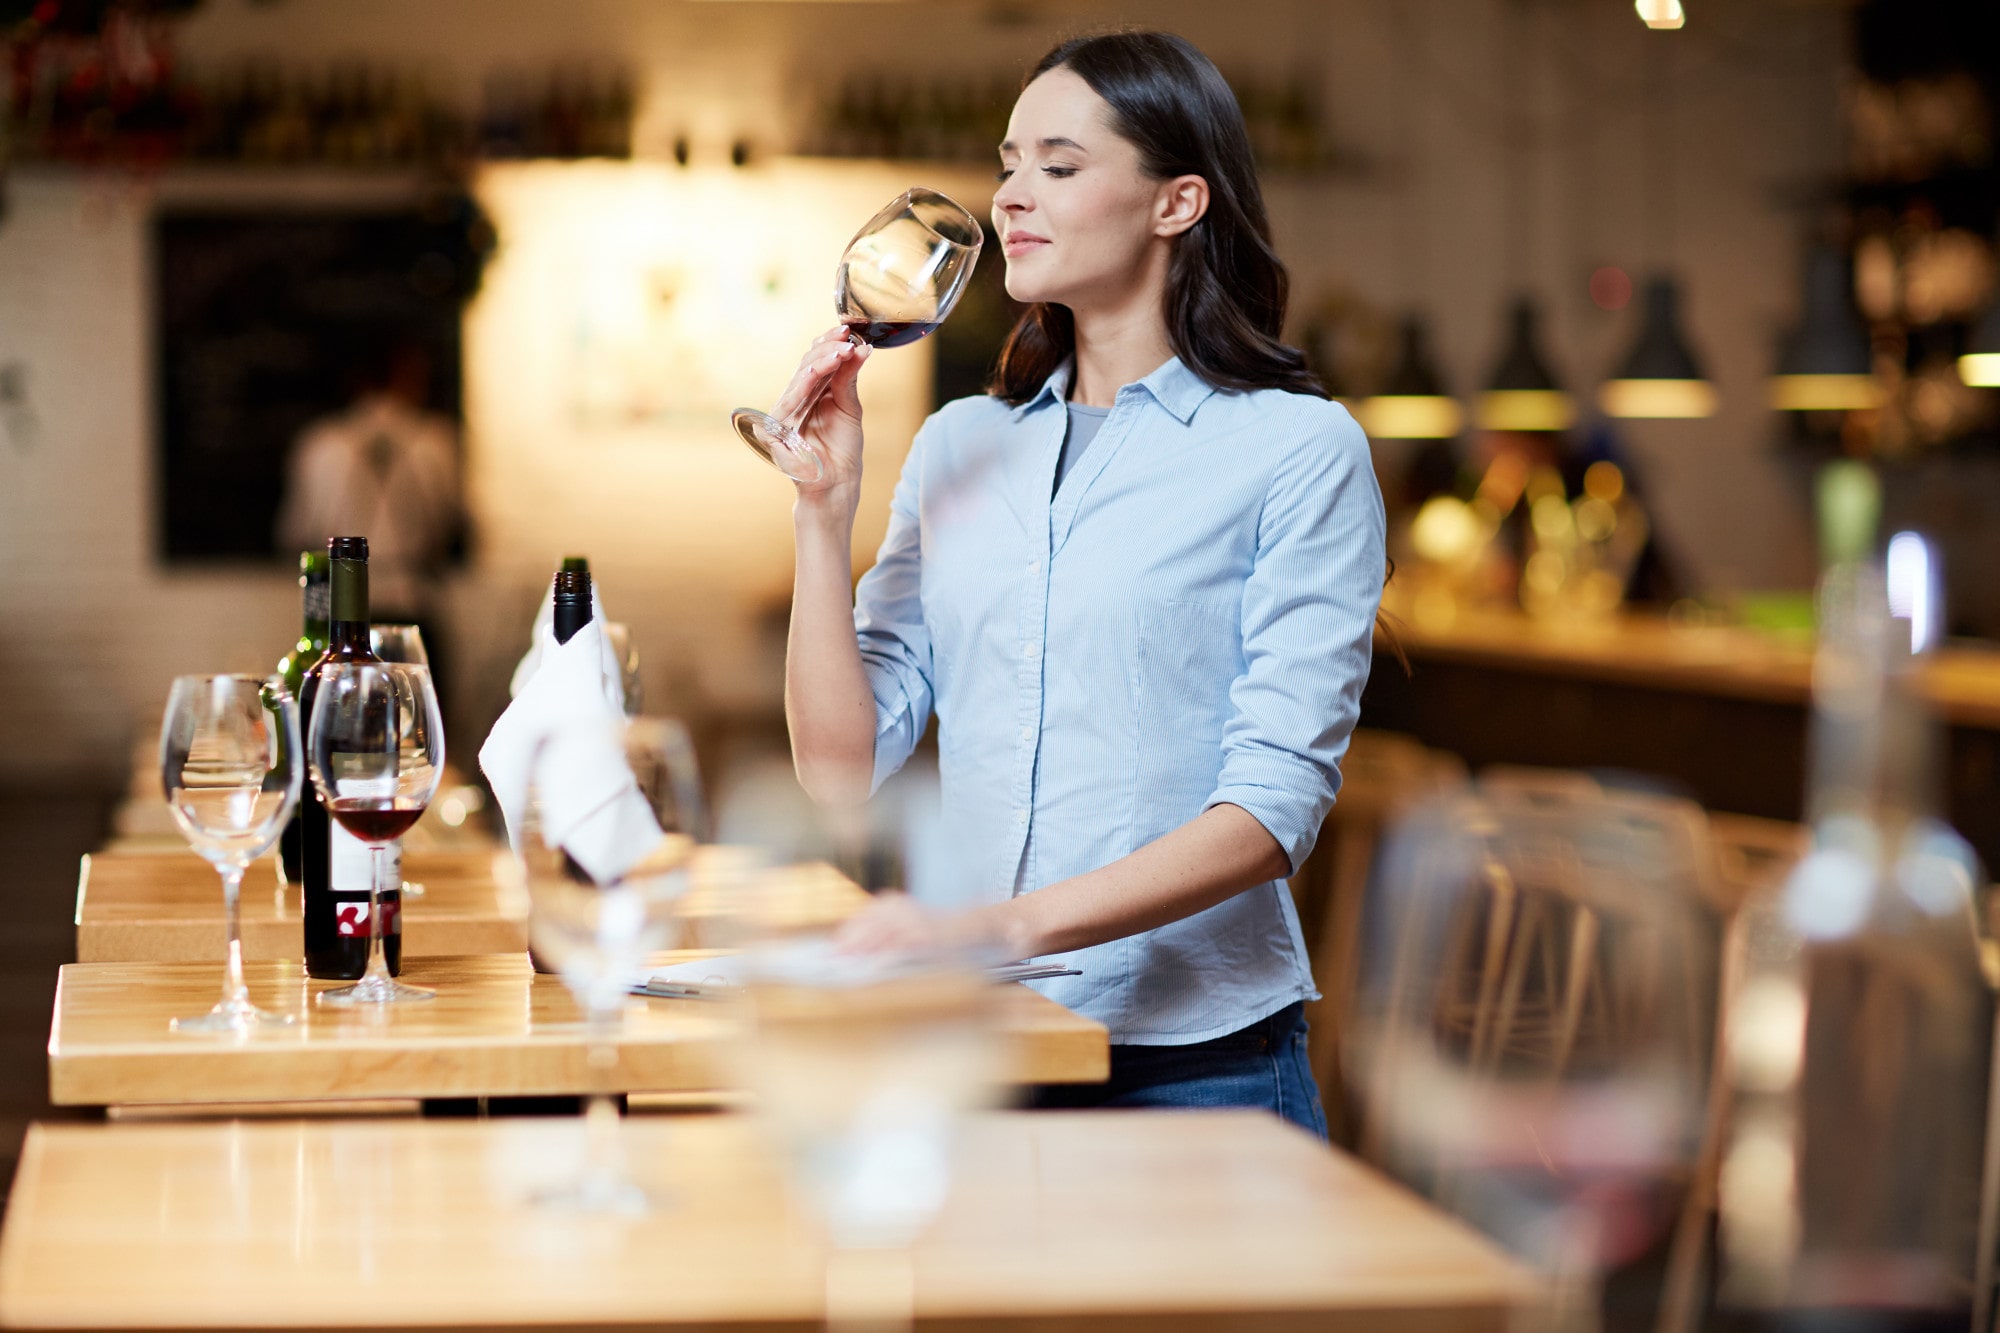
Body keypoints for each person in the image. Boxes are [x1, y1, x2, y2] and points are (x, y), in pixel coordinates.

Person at [779, 30, 1385, 1137]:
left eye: (1057, 167)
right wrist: (821, 518)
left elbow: (1269, 811)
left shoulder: (1299, 449)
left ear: (1176, 203)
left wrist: (996, 926)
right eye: (1008, 163)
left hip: (1201, 1071)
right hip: (980, 1050)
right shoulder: (959, 441)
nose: (1011, 195)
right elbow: (835, 767)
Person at [276, 339, 464, 706]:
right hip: (414, 609)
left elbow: (294, 534)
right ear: (407, 375)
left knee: (341, 730)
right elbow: (452, 525)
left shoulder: (320, 443)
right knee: (421, 733)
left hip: (342, 622)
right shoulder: (437, 443)